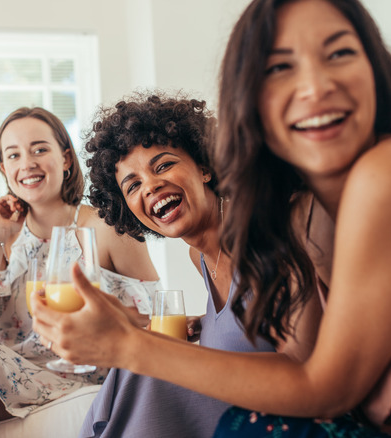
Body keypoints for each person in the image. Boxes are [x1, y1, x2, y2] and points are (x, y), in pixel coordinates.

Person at [31, 0, 391, 436]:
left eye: (339, 53)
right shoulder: (307, 209)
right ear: (252, 103)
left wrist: (129, 345)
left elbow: (324, 387)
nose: (315, 86)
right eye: (280, 67)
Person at [0, 107, 160, 438]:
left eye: (40, 149)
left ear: (66, 158)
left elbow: (152, 316)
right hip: (18, 370)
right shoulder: (7, 233)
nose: (27, 163)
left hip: (82, 368)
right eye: (14, 155)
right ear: (3, 167)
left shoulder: (104, 227)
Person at [78, 93, 288, 438]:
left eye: (162, 166)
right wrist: (205, 323)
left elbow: (308, 370)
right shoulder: (200, 257)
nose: (151, 185)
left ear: (204, 167)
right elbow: (255, 320)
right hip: (230, 409)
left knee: (143, 363)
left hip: (268, 419)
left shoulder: (260, 235)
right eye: (133, 186)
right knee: (138, 359)